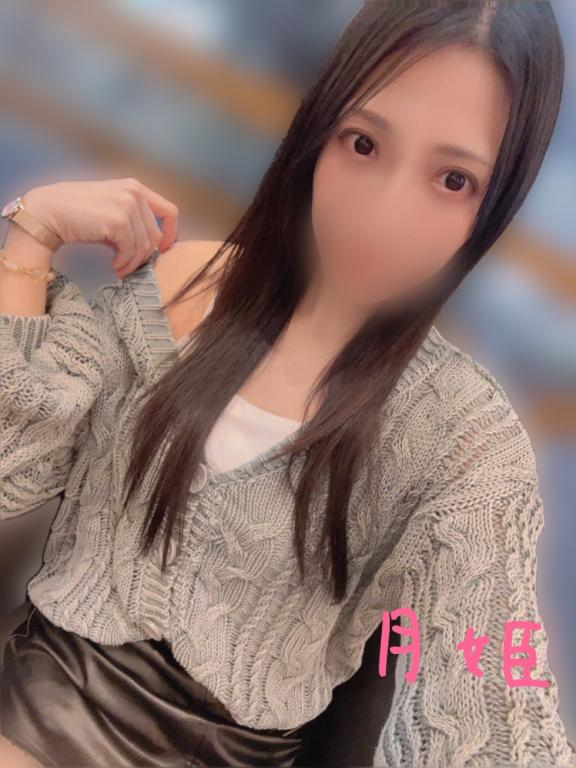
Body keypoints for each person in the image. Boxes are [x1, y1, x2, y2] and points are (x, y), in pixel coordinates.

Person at [1, 2, 575, 767]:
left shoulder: (462, 438)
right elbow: (11, 470)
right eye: (364, 143)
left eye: (452, 179)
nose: (384, 213)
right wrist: (31, 236)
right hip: (30, 709)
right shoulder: (179, 286)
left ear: (495, 204)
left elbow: (492, 688)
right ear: (320, 130)